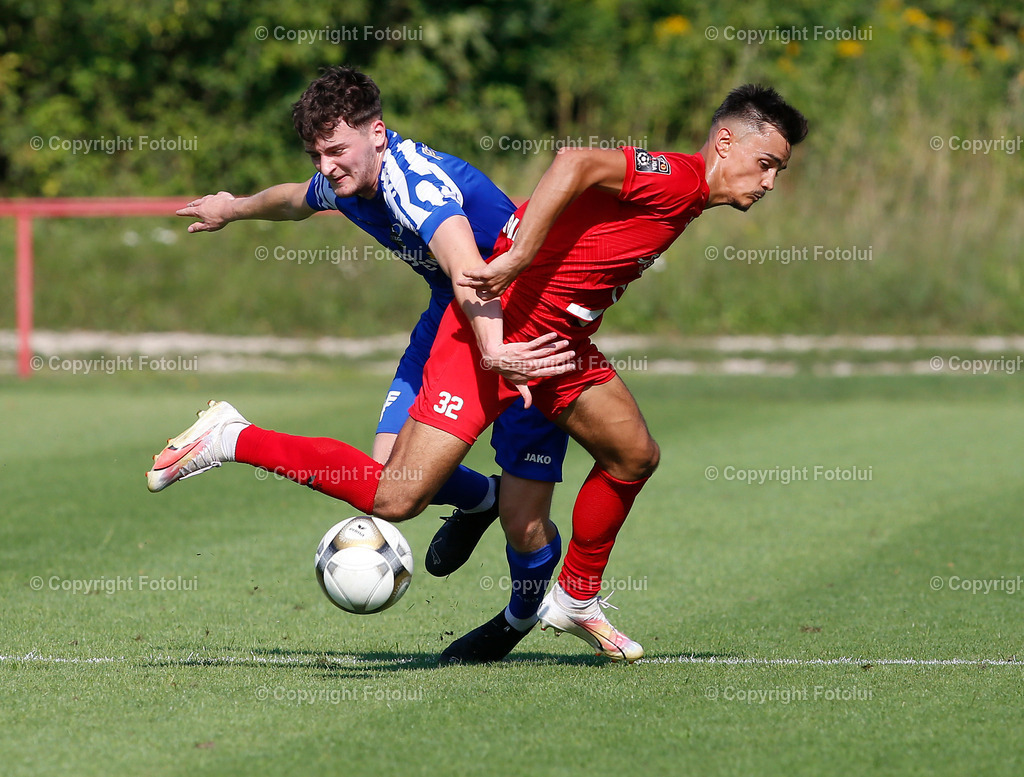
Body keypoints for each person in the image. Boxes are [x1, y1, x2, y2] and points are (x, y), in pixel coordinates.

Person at [150, 83, 807, 664]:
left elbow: (301, 196)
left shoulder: (687, 194)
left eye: (777, 169)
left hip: (553, 344)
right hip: (492, 332)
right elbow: (571, 165)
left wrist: (233, 207)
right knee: (395, 497)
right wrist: (518, 259)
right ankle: (232, 436)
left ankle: (572, 599)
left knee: (632, 456)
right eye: (766, 163)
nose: (769, 181)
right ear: (725, 142)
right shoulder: (678, 177)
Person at [151, 66, 572, 664]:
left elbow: (468, 269)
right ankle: (481, 500)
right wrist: (233, 207)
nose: (325, 166)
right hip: (453, 315)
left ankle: (519, 616)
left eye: (336, 150)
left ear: (378, 132)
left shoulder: (415, 185)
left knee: (524, 525)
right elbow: (295, 200)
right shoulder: (347, 177)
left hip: (520, 324)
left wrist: (497, 351)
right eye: (317, 153)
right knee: (382, 476)